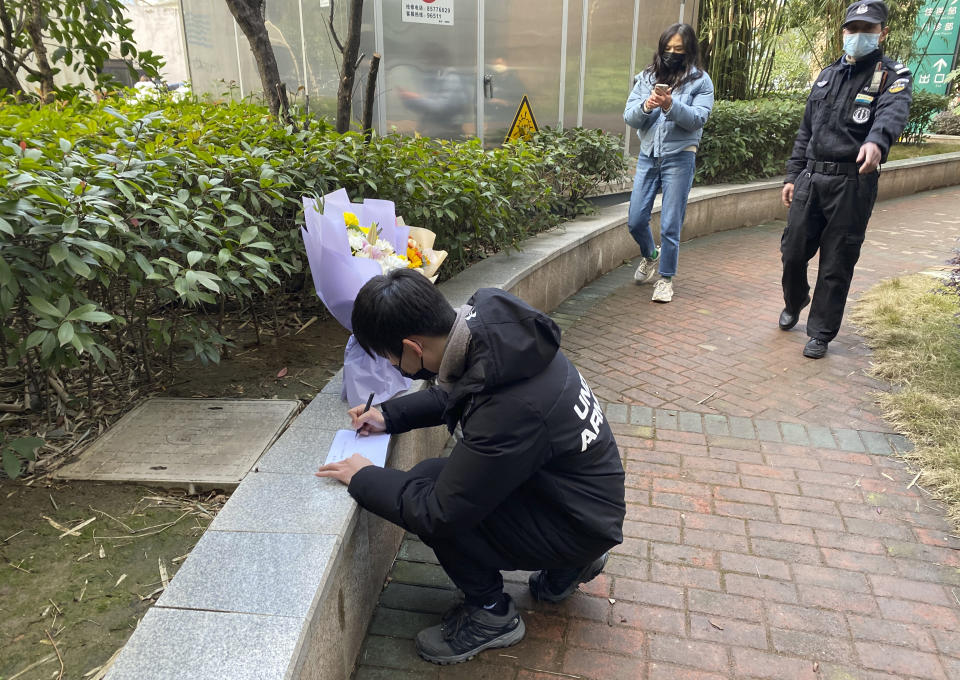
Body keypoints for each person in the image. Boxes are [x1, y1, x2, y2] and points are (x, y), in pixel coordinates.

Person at [315, 269, 625, 665]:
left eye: (391, 358)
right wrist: (388, 416)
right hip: (582, 503)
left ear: (413, 347)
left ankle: (492, 614)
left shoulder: (512, 406)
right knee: (436, 479)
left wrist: (363, 477)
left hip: (577, 521)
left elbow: (439, 513)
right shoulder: (494, 335)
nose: (394, 366)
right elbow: (459, 392)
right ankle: (573, 561)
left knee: (433, 493)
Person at [779, 0, 912, 358]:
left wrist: (875, 141)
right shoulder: (826, 75)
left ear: (882, 33)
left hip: (853, 181)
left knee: (837, 259)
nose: (857, 36)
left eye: (867, 30)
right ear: (843, 32)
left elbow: (891, 114)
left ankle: (820, 331)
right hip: (812, 177)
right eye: (852, 29)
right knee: (792, 251)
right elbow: (805, 131)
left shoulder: (892, 75)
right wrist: (793, 175)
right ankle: (795, 298)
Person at [624, 23, 714, 303]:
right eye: (668, 49)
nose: (672, 54)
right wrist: (647, 106)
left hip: (680, 156)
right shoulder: (647, 77)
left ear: (689, 51)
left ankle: (665, 279)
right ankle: (651, 255)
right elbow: (629, 116)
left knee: (671, 223)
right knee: (636, 219)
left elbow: (698, 119)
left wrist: (670, 105)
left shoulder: (701, 81)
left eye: (678, 49)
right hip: (649, 156)